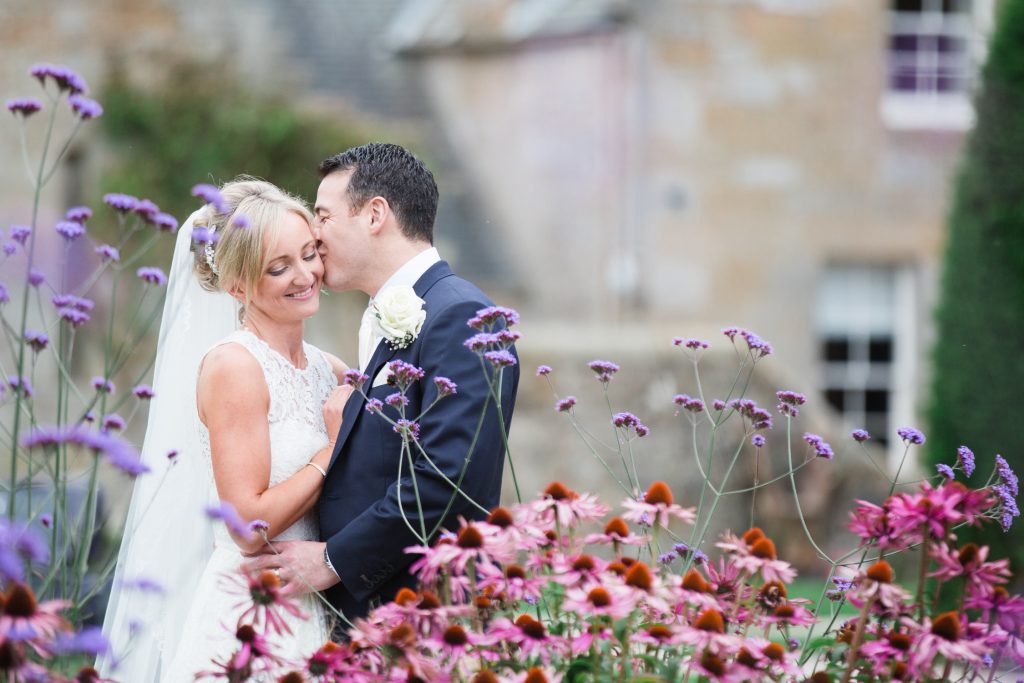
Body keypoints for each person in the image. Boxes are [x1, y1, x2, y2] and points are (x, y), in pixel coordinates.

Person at [245, 143, 520, 623]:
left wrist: (334, 560)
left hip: (425, 611)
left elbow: (448, 478)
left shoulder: (462, 316)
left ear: (375, 214)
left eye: (324, 217)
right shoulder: (391, 315)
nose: (314, 232)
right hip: (374, 614)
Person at [98, 179, 352, 681]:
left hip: (319, 606)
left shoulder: (333, 371)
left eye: (308, 254)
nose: (305, 275)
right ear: (237, 287)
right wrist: (332, 447)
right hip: (252, 622)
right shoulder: (234, 367)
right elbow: (247, 526)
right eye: (279, 267)